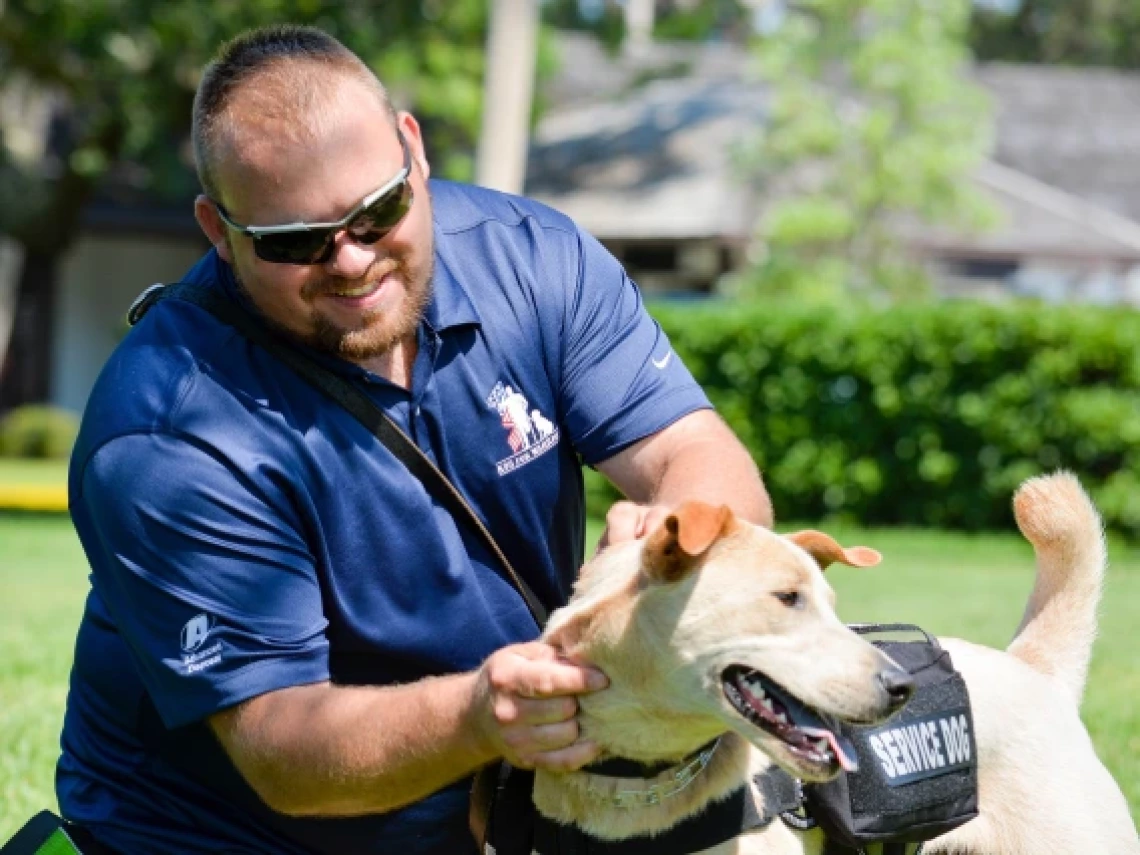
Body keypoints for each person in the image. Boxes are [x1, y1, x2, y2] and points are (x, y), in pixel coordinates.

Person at [57, 24, 772, 855]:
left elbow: (699, 452)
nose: (352, 261)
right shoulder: (168, 432)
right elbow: (284, 751)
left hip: (501, 804)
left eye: (378, 211)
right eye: (296, 242)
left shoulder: (534, 261)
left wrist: (680, 532)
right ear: (219, 232)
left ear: (413, 151)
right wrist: (481, 713)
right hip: (230, 837)